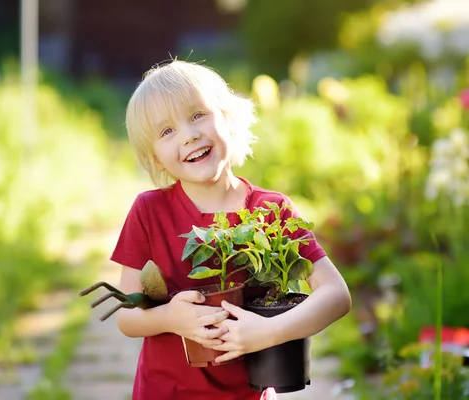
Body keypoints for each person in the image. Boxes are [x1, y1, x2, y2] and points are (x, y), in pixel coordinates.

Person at [111, 60, 352, 400]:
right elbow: (128, 317)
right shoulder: (149, 212)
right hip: (166, 392)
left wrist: (270, 332)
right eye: (167, 131)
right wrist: (170, 318)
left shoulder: (272, 211)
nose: (190, 135)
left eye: (198, 115)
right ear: (155, 157)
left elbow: (336, 296)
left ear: (227, 116)